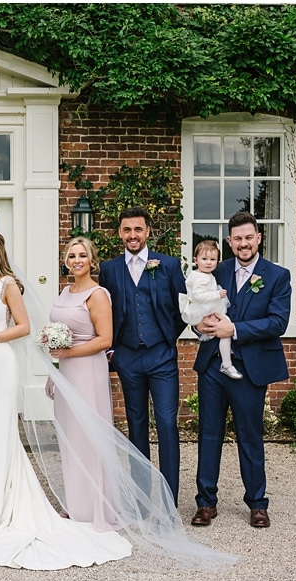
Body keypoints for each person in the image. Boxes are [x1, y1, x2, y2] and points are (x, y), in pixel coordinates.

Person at [0, 231, 132, 570]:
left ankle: (3, 507)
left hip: (0, 363)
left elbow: (25, 327)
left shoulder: (8, 286)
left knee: (1, 433)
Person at [191, 212, 291, 529]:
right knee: (208, 435)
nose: (243, 243)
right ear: (230, 241)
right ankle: (206, 503)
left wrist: (234, 329)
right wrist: (198, 325)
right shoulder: (214, 271)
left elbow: (278, 322)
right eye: (237, 238)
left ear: (258, 237)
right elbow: (197, 305)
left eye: (249, 237)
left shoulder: (276, 275)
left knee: (250, 437)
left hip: (250, 369)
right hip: (211, 368)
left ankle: (257, 504)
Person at [98, 206, 188, 506]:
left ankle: (169, 500)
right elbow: (105, 312)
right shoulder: (110, 269)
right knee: (136, 426)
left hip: (162, 356)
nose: (132, 235)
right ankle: (141, 501)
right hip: (127, 358)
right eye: (127, 230)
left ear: (147, 231)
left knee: (166, 423)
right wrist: (113, 350)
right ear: (120, 234)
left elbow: (182, 311)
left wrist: (165, 336)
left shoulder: (168, 265)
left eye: (138, 229)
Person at [45, 236, 118, 531]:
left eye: (82, 255)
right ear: (66, 261)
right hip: (66, 371)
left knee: (90, 437)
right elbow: (58, 338)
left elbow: (105, 340)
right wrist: (54, 371)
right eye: (72, 256)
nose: (76, 260)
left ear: (91, 260)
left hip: (89, 371)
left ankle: (97, 506)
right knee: (70, 437)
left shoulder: (97, 294)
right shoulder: (64, 292)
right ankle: (76, 503)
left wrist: (68, 353)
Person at [178, 240, 242, 380]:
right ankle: (226, 363)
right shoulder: (198, 277)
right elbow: (198, 295)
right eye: (204, 259)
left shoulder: (205, 274)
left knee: (224, 329)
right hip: (202, 308)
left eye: (213, 259)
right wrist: (217, 295)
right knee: (225, 327)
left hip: (207, 307)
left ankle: (226, 359)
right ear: (196, 260)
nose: (208, 263)